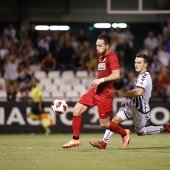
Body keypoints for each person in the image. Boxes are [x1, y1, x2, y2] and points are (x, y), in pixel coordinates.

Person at [62, 34, 131, 149]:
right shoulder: (100, 57)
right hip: (95, 90)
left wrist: (101, 80)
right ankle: (75, 139)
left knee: (104, 124)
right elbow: (103, 73)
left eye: (100, 46)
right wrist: (97, 81)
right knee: (76, 110)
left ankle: (124, 133)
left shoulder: (112, 57)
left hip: (105, 93)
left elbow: (116, 75)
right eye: (96, 45)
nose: (97, 48)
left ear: (107, 46)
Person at [89, 52, 170, 149]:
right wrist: (127, 100)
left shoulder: (145, 76)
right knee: (114, 121)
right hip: (131, 105)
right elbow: (135, 91)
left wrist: (123, 94)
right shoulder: (140, 76)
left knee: (140, 132)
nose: (136, 64)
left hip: (140, 109)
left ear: (145, 64)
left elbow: (139, 92)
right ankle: (103, 144)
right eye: (135, 62)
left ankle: (164, 127)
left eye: (139, 63)